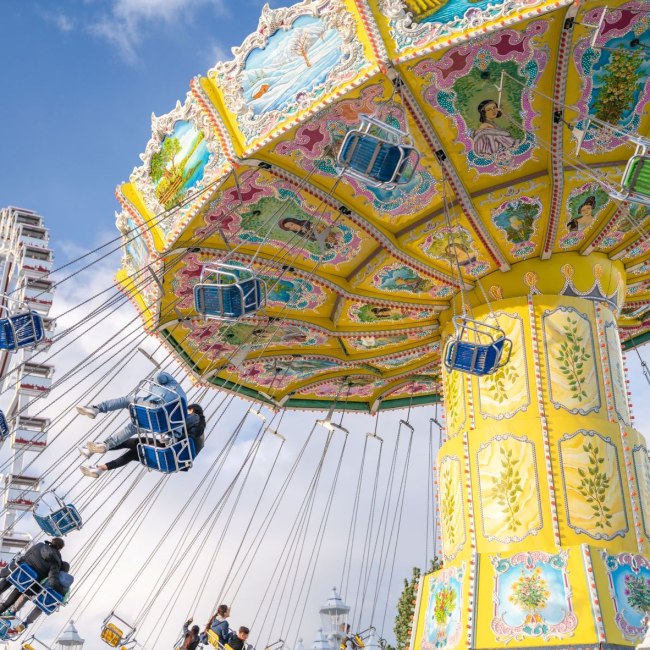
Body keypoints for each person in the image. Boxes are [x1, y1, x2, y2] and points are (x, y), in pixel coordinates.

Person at [77, 371, 186, 458]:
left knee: (127, 400)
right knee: (133, 428)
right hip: (162, 424)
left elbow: (160, 377)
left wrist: (153, 382)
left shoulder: (170, 381)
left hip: (157, 407)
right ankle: (106, 444)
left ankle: (97, 408)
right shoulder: (182, 403)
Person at [80, 403, 206, 478]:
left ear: (192, 410)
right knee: (134, 454)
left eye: (187, 411)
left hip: (170, 450)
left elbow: (177, 423)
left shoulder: (195, 417)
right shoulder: (200, 437)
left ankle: (96, 448)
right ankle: (100, 468)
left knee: (134, 442)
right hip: (172, 458)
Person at [6, 561, 74, 635]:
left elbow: (43, 582)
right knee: (40, 607)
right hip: (46, 603)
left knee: (26, 595)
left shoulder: (54, 574)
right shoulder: (68, 588)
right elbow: (64, 600)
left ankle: (12, 611)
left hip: (39, 593)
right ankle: (25, 623)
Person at [0, 539, 64, 610]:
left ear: (52, 541)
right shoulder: (57, 562)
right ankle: (2, 608)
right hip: (30, 581)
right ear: (60, 549)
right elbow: (52, 578)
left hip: (20, 570)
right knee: (22, 588)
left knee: (11, 576)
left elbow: (27, 555)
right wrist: (61, 591)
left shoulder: (40, 545)